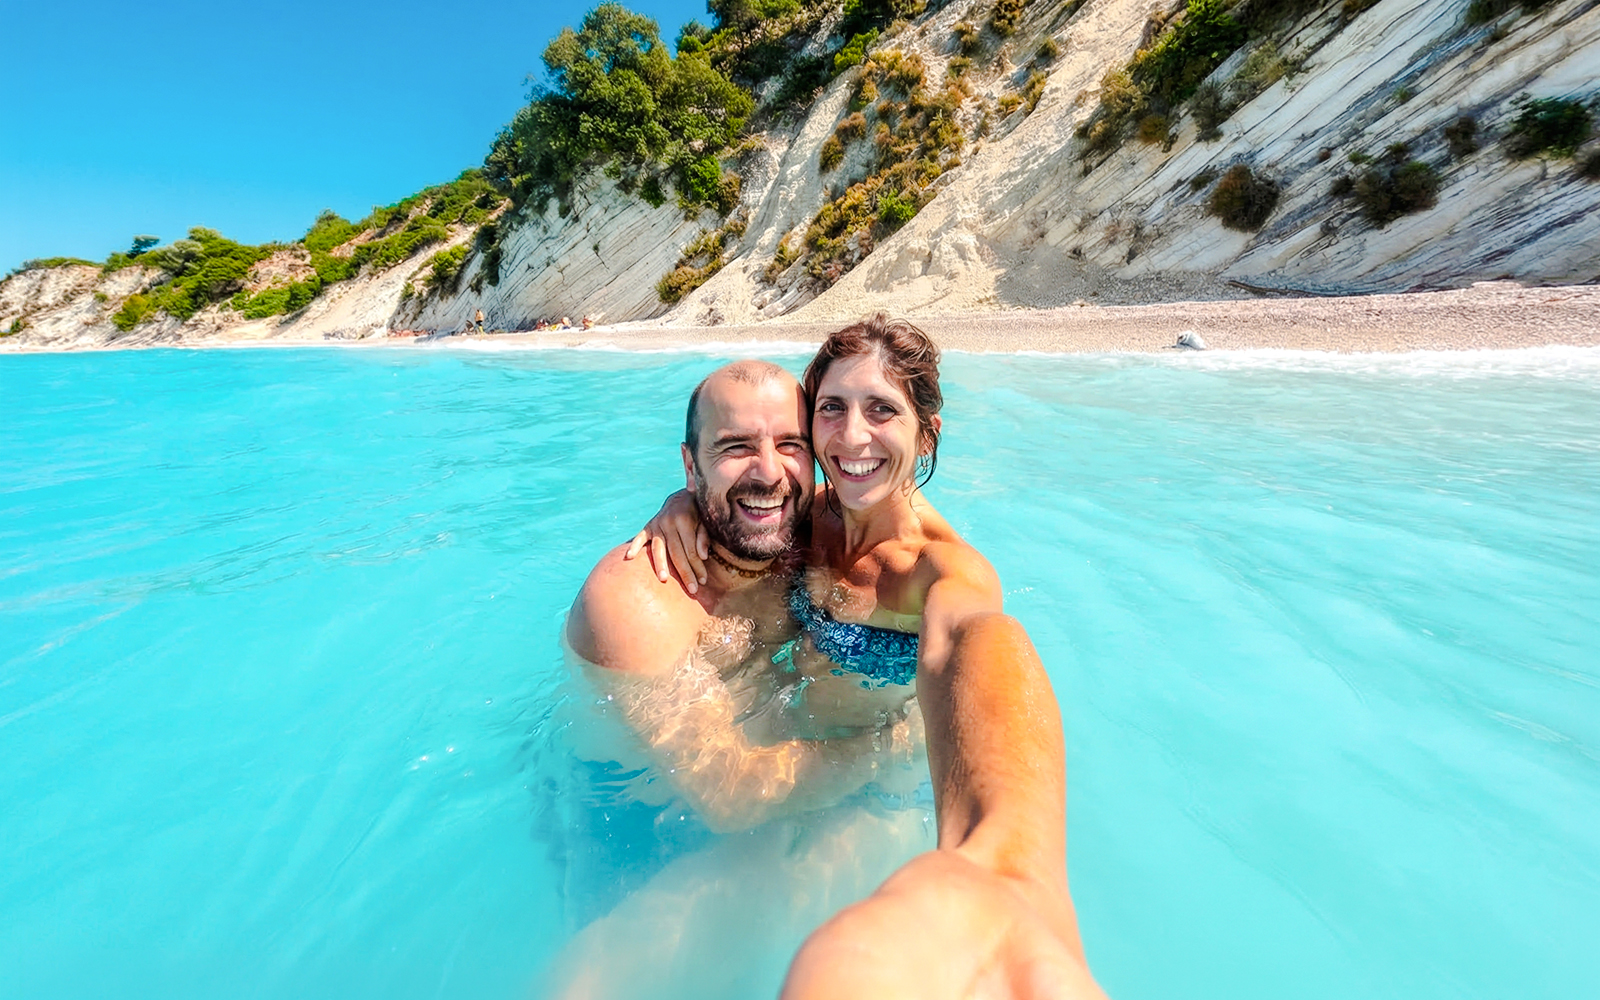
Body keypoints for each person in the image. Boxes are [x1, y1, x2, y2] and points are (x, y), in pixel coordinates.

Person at [628, 315, 1109, 999]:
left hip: (867, 786)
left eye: (882, 409)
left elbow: (977, 645)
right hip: (776, 754)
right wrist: (680, 504)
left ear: (926, 433)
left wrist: (1014, 862)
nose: (853, 437)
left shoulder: (940, 572)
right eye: (832, 409)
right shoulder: (810, 513)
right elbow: (735, 487)